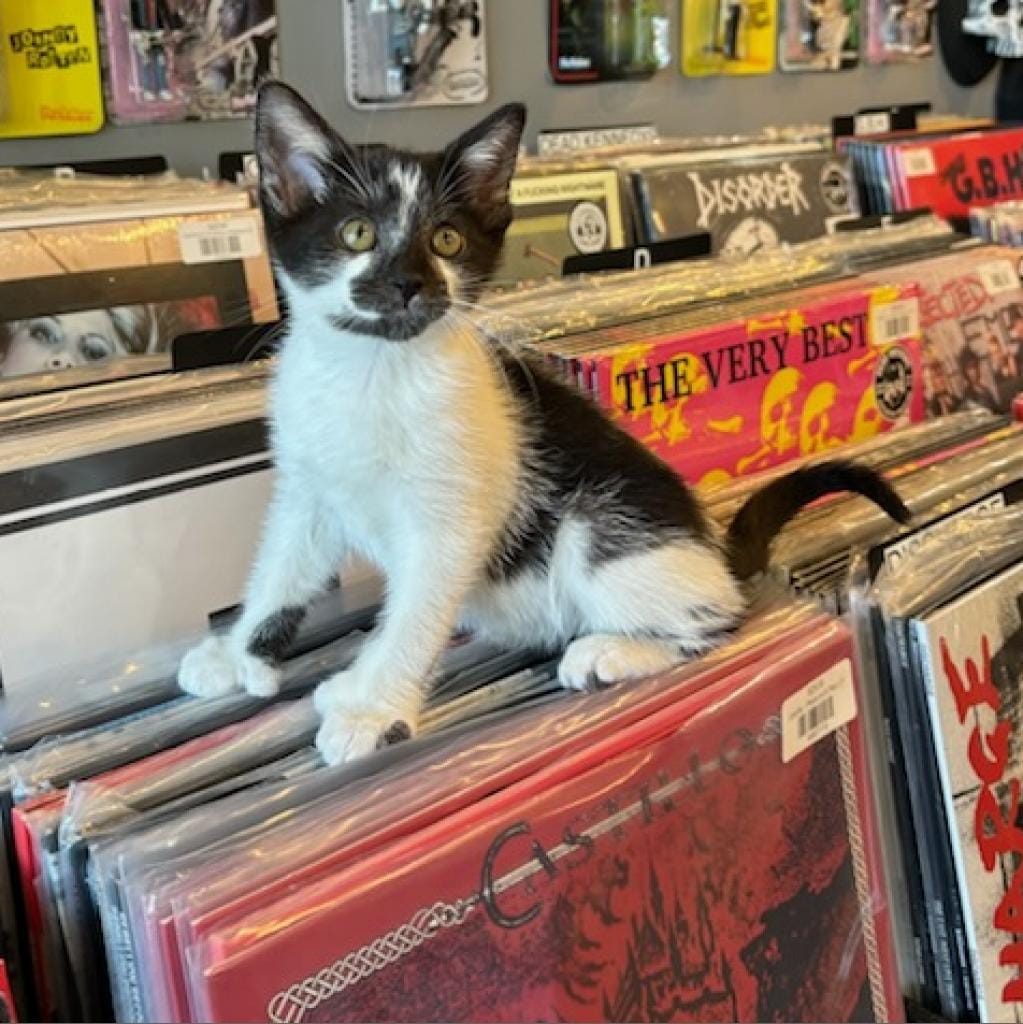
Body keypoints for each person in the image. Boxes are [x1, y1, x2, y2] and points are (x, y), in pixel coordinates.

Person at [987, 333, 1021, 413]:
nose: (997, 356)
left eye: (997, 351)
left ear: (1001, 349)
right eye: (993, 354)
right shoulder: (996, 375)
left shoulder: (1013, 362)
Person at [959, 347, 1000, 413]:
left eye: (975, 366)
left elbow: (997, 411)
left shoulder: (985, 389)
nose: (974, 371)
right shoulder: (967, 395)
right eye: (970, 369)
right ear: (965, 372)